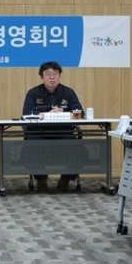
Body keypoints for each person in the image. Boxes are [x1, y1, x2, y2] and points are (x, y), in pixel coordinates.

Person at [22, 61, 83, 192]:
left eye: (55, 74)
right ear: (41, 77)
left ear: (59, 76)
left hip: (64, 133)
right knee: (31, 146)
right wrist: (45, 114)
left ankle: (65, 179)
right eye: (48, 74)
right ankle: (41, 179)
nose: (52, 77)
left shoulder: (68, 92)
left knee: (78, 148)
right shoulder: (33, 93)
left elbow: (80, 113)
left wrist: (65, 113)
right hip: (39, 133)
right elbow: (26, 114)